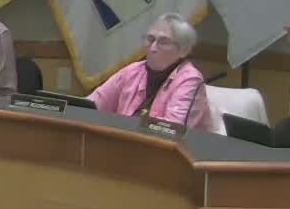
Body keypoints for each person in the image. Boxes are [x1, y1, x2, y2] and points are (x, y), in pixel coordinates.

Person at [86, 13, 214, 131]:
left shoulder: (190, 79)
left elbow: (172, 130)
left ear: (183, 50)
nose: (152, 48)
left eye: (163, 42)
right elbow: (91, 104)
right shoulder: (133, 70)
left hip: (176, 148)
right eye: (150, 39)